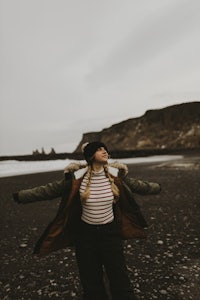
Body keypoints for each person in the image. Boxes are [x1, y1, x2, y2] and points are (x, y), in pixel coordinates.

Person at [13, 141, 161, 300]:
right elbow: (48, 190)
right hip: (85, 237)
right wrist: (21, 196)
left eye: (105, 149)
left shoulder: (115, 176)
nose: (105, 152)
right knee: (91, 283)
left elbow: (139, 185)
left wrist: (156, 187)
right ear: (90, 155)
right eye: (99, 149)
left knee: (120, 279)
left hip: (110, 235)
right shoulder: (77, 179)